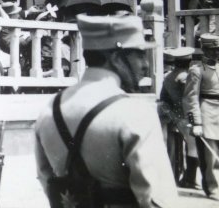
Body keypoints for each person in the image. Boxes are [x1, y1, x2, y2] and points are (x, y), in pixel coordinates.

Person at [34, 14, 178, 207]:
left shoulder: (49, 109)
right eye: (140, 55)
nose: (145, 65)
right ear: (117, 58)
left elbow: (46, 179)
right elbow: (157, 198)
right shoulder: (134, 112)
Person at [183, 33, 219, 200]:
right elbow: (191, 97)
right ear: (204, 49)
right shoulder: (196, 70)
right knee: (209, 156)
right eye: (213, 50)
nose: (217, 53)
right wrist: (195, 122)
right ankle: (212, 188)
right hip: (207, 112)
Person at [159, 47, 199, 189]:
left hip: (176, 116)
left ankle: (186, 178)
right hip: (187, 116)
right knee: (194, 147)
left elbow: (163, 98)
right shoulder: (185, 77)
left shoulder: (168, 76)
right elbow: (190, 99)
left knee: (184, 147)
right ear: (188, 62)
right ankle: (190, 179)